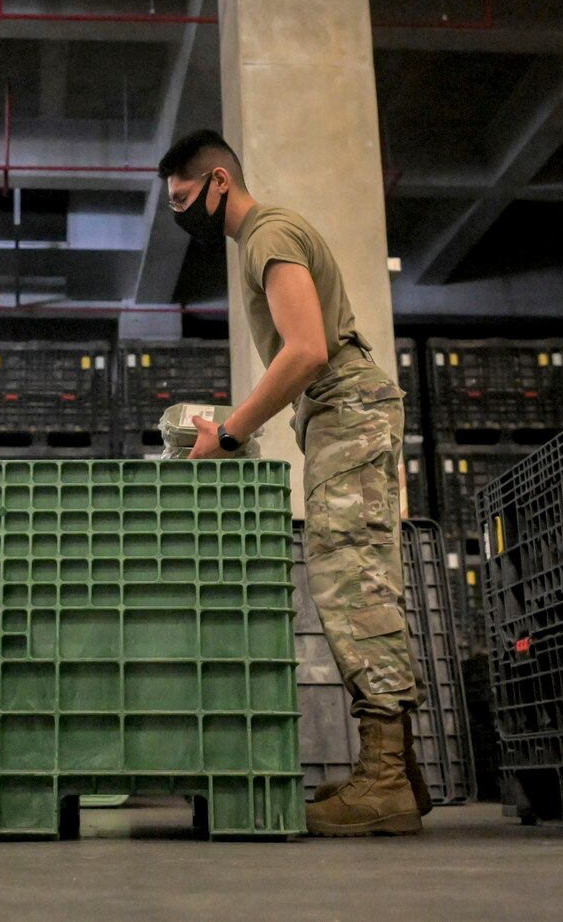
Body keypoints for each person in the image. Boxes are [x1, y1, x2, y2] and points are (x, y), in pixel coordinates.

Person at [158, 128, 428, 837]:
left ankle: (385, 780)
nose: (182, 215)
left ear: (219, 183)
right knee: (356, 574)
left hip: (346, 409)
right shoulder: (264, 241)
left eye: (185, 199)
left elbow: (306, 349)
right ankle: (399, 771)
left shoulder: (268, 237)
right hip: (342, 415)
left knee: (350, 578)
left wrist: (232, 433)